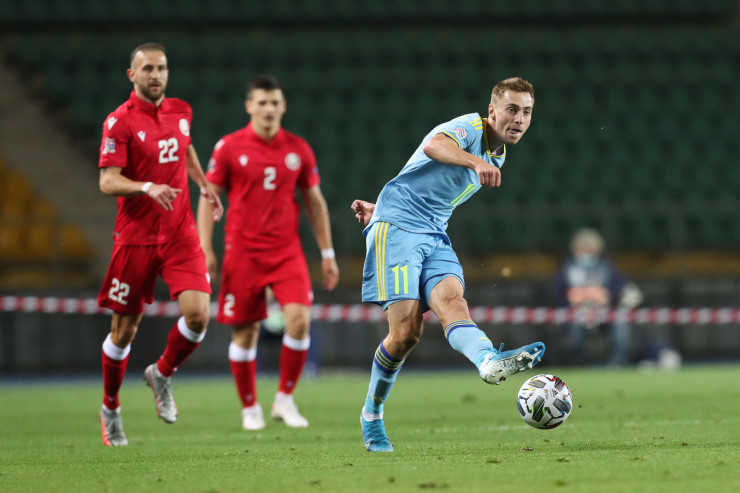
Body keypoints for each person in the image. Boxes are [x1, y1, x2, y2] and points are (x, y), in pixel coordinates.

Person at [351, 77, 545, 452]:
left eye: (526, 112)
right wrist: (386, 213)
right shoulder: (470, 128)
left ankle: (488, 361)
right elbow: (434, 145)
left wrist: (379, 207)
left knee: (454, 302)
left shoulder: (498, 155)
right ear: (492, 111)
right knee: (406, 333)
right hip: (398, 231)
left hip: (433, 233)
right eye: (511, 109)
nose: (519, 119)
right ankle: (371, 415)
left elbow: (427, 182)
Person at [96, 42, 224, 447]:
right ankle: (110, 407)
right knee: (124, 331)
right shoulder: (119, 122)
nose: (156, 75)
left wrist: (204, 184)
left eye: (162, 68)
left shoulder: (181, 111)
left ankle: (162, 373)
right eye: (148, 68)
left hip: (180, 233)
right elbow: (107, 181)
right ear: (132, 74)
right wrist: (146, 187)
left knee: (199, 316)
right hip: (136, 239)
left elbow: (184, 148)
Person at [197, 75, 339, 431]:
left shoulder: (298, 149)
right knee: (245, 333)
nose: (269, 109)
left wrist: (327, 252)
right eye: (262, 102)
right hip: (242, 252)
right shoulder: (229, 147)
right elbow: (208, 197)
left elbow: (315, 203)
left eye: (275, 102)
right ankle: (250, 408)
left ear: (283, 106)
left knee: (300, 321)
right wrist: (204, 246)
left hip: (286, 250)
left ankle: (284, 400)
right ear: (249, 106)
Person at [552, 228, 643, 366]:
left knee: (620, 322)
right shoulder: (566, 268)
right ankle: (579, 363)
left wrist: (623, 294)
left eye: (591, 250)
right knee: (574, 330)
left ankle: (617, 361)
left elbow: (618, 286)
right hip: (576, 313)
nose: (587, 253)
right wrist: (572, 302)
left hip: (603, 313)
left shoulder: (606, 266)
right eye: (584, 249)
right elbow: (557, 292)